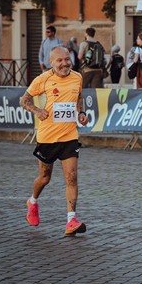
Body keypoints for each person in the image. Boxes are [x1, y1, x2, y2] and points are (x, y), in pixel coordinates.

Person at [19, 45, 89, 236]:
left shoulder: (77, 77)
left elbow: (78, 98)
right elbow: (23, 100)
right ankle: (32, 201)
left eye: (67, 59)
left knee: (72, 177)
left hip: (69, 136)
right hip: (47, 138)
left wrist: (81, 113)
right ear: (51, 63)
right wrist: (37, 110)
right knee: (45, 178)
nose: (64, 63)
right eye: (59, 60)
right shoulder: (43, 79)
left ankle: (71, 220)